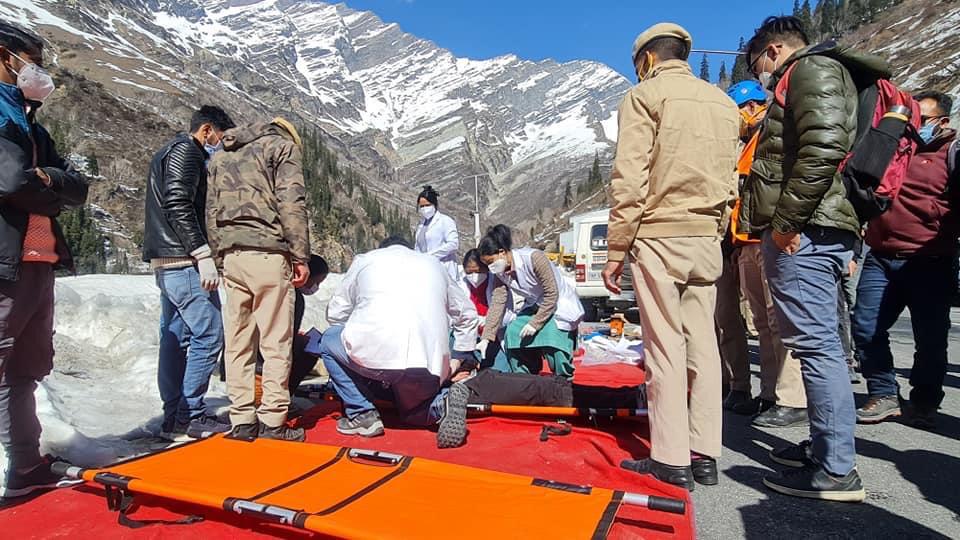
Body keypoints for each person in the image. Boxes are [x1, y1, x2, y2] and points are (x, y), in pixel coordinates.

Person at [740, 15, 889, 501]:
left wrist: (786, 222)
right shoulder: (820, 72)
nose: (762, 76)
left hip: (806, 229)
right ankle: (827, 445)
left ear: (775, 50)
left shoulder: (809, 71)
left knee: (818, 348)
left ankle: (835, 469)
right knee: (816, 346)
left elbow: (822, 147)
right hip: (817, 225)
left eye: (759, 63)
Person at [601, 23, 739, 492]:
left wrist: (617, 248)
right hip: (706, 237)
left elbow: (631, 179)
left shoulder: (645, 97)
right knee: (704, 344)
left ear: (648, 60)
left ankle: (670, 457)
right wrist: (716, 229)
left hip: (659, 235)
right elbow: (730, 182)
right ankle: (705, 454)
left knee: (664, 349)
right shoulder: (724, 104)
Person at [0, 22, 89, 498]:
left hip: (37, 258)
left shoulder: (29, 121)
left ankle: (26, 466)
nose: (38, 71)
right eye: (31, 59)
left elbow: (76, 186)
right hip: (5, 261)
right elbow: (11, 181)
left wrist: (49, 180)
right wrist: (50, 185)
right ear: (4, 55)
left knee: (24, 371)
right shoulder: (1, 114)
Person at [853, 90, 959, 430]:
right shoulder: (894, 147)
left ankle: (925, 400)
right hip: (881, 256)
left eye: (923, 121)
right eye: (913, 120)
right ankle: (883, 392)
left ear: (943, 122)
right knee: (866, 328)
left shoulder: (953, 155)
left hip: (930, 260)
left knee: (930, 338)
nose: (915, 127)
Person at [317, 236, 478, 448]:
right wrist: (459, 357)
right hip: (427, 363)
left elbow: (337, 314)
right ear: (409, 249)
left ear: (382, 249)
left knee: (328, 340)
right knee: (413, 413)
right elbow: (467, 315)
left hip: (374, 359)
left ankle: (362, 414)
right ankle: (443, 404)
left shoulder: (365, 260)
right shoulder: (434, 264)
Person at [206, 117, 311, 442]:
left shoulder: (221, 155)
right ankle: (273, 421)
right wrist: (300, 255)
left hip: (232, 257)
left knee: (238, 343)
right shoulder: (282, 148)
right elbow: (291, 204)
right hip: (269, 254)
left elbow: (210, 210)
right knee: (276, 342)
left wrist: (220, 257)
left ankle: (242, 420)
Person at [143, 105, 235, 442]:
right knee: (209, 334)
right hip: (183, 260)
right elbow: (179, 203)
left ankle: (174, 415)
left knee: (177, 338)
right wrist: (201, 252)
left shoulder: (169, 151)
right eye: (220, 139)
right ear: (207, 130)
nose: (220, 146)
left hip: (167, 259)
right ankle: (192, 413)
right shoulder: (187, 152)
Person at [725, 80, 808, 427]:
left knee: (781, 322)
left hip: (770, 238)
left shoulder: (773, 138)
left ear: (752, 107)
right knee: (762, 324)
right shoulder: (744, 146)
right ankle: (771, 394)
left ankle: (794, 399)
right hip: (745, 242)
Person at [479, 225, 584, 380]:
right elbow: (497, 303)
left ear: (502, 252)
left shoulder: (534, 258)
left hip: (558, 305)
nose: (490, 268)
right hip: (534, 305)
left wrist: (535, 323)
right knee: (513, 332)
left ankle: (563, 378)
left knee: (552, 335)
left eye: (491, 262)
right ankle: (525, 377)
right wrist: (487, 336)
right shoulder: (499, 273)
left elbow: (551, 293)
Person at [254, 254, 329, 408]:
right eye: (316, 282)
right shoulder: (293, 297)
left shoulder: (270, 288)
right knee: (309, 351)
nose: (316, 287)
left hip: (248, 366)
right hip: (263, 371)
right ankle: (281, 398)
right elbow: (282, 339)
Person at [461, 248, 513, 371]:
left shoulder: (497, 282)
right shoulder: (461, 285)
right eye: (469, 272)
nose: (474, 276)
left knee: (499, 370)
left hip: (494, 335)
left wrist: (488, 321)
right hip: (469, 334)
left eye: (478, 271)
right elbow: (455, 314)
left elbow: (508, 313)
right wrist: (473, 320)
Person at [415, 185, 460, 282]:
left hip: (444, 268)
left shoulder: (445, 221)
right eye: (422, 206)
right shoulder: (421, 225)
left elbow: (453, 244)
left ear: (434, 204)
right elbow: (417, 247)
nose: (424, 208)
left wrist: (431, 256)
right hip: (426, 269)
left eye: (427, 205)